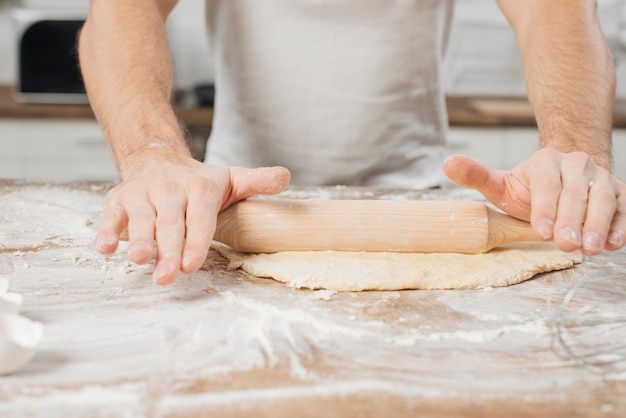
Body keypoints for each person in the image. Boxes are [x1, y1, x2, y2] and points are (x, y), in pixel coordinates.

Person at [78, 0, 625, 285]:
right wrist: (154, 153)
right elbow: (122, 11)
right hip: (231, 205)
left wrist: (573, 143)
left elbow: (552, 11)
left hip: (422, 199)